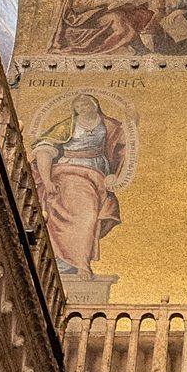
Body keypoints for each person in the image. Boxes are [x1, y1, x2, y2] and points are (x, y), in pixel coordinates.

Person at [39, 94, 127, 274]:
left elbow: (125, 139)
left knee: (91, 215)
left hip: (97, 175)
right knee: (85, 214)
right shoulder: (67, 125)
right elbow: (44, 149)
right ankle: (76, 262)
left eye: (86, 104)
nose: (82, 108)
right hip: (70, 172)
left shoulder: (108, 125)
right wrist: (47, 180)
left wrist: (133, 121)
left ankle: (76, 261)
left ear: (95, 105)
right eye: (78, 105)